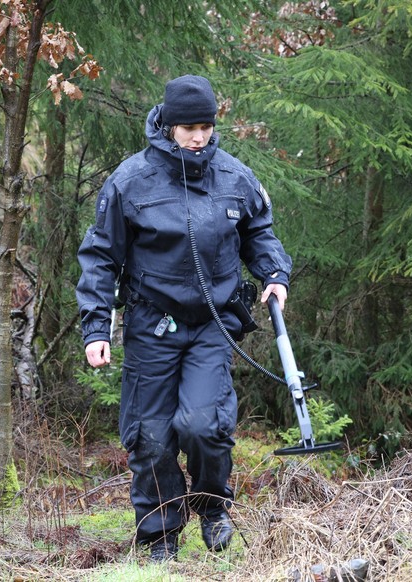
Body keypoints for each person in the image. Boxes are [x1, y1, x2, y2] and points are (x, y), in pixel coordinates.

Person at [76, 75, 292, 562]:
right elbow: (101, 257)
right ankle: (160, 538)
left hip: (213, 325)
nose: (198, 137)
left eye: (206, 127)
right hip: (152, 325)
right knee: (150, 436)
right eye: (189, 127)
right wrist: (95, 327)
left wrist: (275, 274)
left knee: (202, 425)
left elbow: (260, 233)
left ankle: (213, 506)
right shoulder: (129, 181)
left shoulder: (235, 177)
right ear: (169, 125)